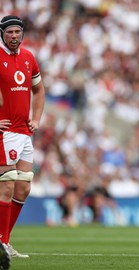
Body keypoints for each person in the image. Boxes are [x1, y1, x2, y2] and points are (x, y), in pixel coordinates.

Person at [0, 15, 46, 258]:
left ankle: (4, 243)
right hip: (5, 134)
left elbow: (38, 89)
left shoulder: (28, 58)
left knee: (23, 188)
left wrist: (36, 117)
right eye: (10, 32)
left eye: (18, 32)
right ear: (2, 34)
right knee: (6, 186)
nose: (14, 36)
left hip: (24, 133)